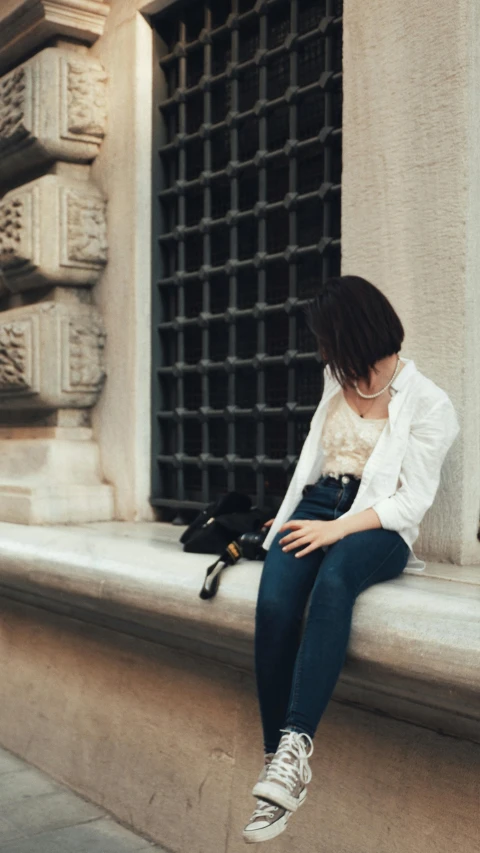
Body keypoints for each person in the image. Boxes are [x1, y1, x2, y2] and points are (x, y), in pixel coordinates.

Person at [242, 275, 460, 844]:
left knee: (335, 583)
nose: (321, 352)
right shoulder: (334, 381)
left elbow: (411, 499)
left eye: (326, 339)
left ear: (352, 333)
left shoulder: (430, 402)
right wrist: (290, 514)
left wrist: (336, 529)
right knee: (274, 605)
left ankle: (296, 744)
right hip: (319, 505)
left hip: (378, 522)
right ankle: (279, 768)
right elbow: (317, 461)